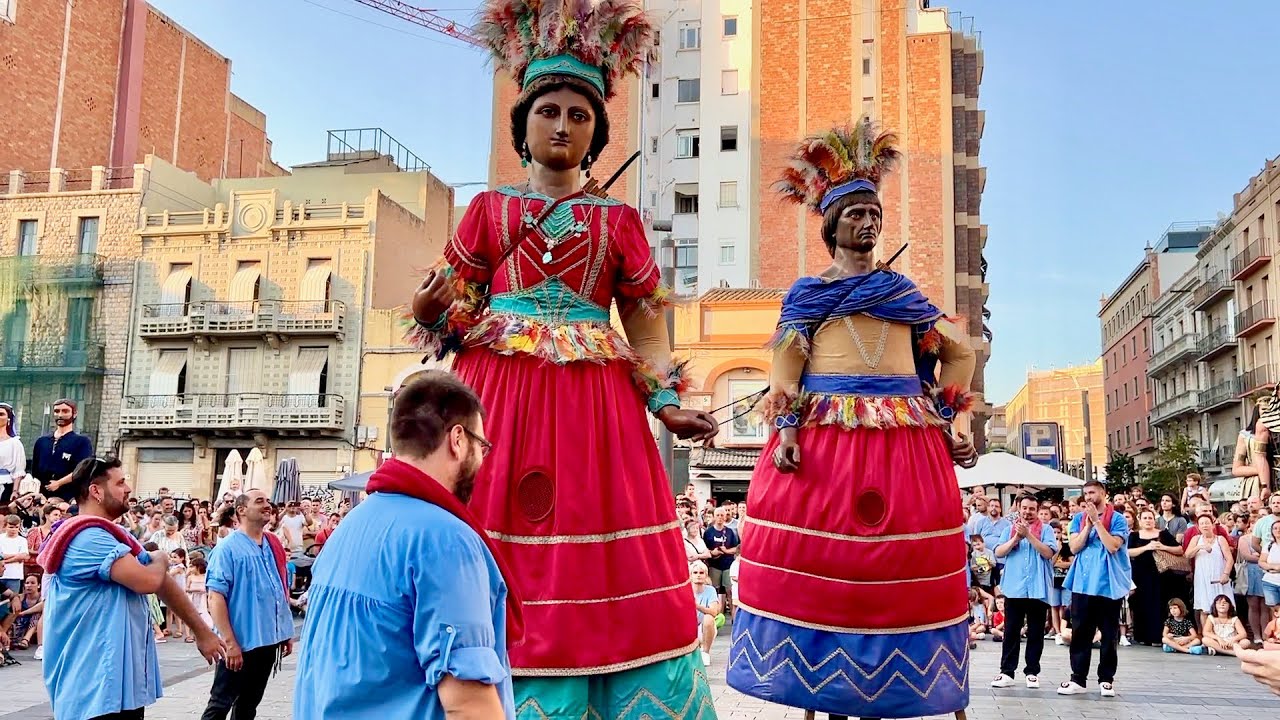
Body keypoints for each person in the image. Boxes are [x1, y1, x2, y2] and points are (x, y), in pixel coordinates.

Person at [406, 2, 718, 714]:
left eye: (580, 115)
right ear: (523, 125)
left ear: (596, 133)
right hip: (496, 398)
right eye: (548, 109)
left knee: (599, 534)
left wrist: (665, 403)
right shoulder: (487, 210)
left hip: (596, 405)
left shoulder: (621, 221)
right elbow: (454, 313)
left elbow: (643, 324)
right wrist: (428, 310)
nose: (563, 124)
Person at [724, 117, 978, 719]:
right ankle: (816, 692)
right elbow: (786, 366)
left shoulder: (905, 295)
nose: (867, 223)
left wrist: (954, 421)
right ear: (831, 226)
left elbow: (960, 351)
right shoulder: (807, 293)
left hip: (903, 437)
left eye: (874, 214)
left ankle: (902, 688)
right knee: (824, 564)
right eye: (854, 214)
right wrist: (785, 427)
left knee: (903, 562)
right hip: (824, 437)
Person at [295, 371, 517, 719]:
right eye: (482, 446)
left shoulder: (348, 529)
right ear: (457, 440)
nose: (483, 459)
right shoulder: (447, 540)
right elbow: (470, 704)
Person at [38, 456, 223, 720]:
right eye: (121, 482)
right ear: (96, 491)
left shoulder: (112, 535)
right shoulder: (88, 537)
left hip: (115, 684)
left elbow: (164, 584)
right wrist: (159, 557)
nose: (128, 489)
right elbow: (149, 581)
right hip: (93, 684)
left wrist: (202, 631)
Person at [200, 489, 294, 720]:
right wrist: (230, 643)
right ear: (241, 510)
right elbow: (215, 597)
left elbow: (278, 588)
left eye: (268, 501)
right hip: (240, 641)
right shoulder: (227, 548)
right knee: (220, 704)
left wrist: (284, 631)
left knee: (248, 705)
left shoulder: (271, 544)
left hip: (267, 640)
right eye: (259, 501)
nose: (267, 505)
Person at [1057, 480, 1132, 698]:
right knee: (1081, 632)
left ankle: (1106, 679)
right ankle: (1077, 679)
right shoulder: (1078, 519)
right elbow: (1074, 547)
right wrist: (1088, 524)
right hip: (1082, 582)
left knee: (1109, 634)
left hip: (1108, 584)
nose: (1088, 496)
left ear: (1103, 493)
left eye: (1092, 492)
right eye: (1085, 493)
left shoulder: (1117, 519)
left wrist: (1098, 522)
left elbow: (1113, 546)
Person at [991, 494, 1058, 690]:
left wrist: (1028, 535)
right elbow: (998, 553)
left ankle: (1032, 672)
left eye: (1032, 509)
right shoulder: (1008, 530)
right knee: (1011, 631)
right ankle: (1007, 672)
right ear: (1019, 509)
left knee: (1036, 632)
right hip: (1014, 588)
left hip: (1038, 588)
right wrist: (1016, 538)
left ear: (1037, 511)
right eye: (1025, 508)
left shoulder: (1045, 530)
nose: (1028, 512)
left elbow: (1048, 553)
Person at [29, 399, 94, 505]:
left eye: (65, 411)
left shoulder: (82, 442)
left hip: (69, 497)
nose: (60, 415)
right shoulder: (42, 442)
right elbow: (35, 471)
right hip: (42, 497)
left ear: (74, 413)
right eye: (57, 411)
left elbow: (83, 469)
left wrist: (59, 483)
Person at [0, 402, 26, 506]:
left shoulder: (14, 443)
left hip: (4, 485)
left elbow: (18, 470)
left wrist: (15, 491)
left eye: (1, 414)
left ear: (8, 419)